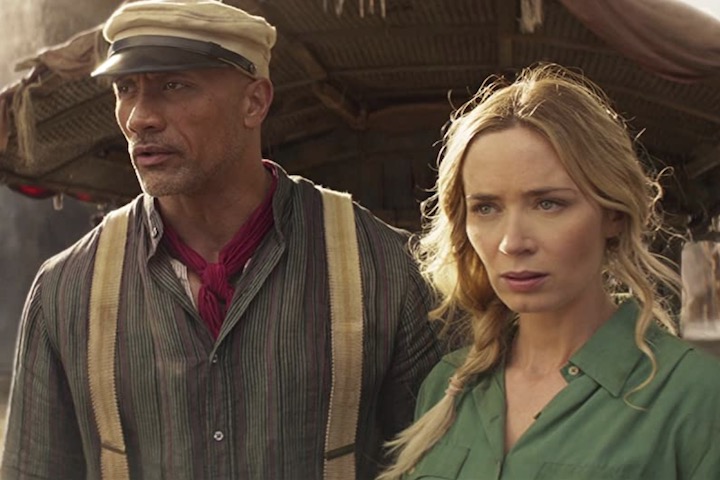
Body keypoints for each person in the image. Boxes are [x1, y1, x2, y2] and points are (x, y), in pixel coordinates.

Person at [0, 1, 442, 479]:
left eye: (174, 85)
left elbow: (437, 463)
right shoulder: (67, 290)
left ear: (254, 102)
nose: (139, 118)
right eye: (126, 89)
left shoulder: (382, 267)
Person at [379, 64, 720, 479]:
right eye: (486, 208)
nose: (512, 242)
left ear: (613, 214)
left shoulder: (698, 396)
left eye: (548, 204)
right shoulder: (447, 386)